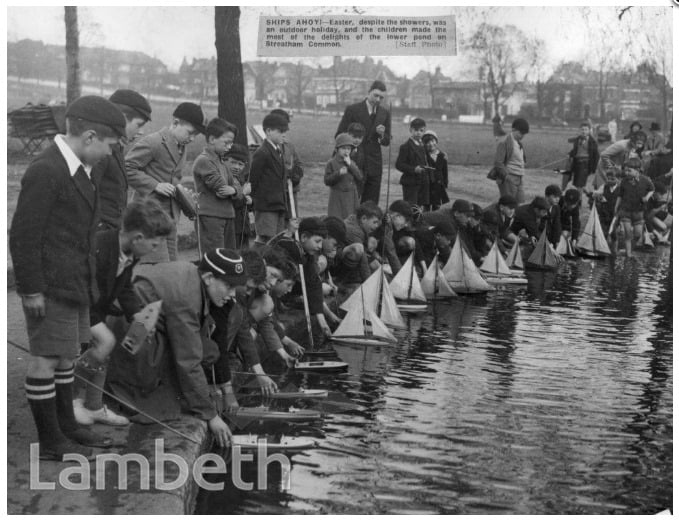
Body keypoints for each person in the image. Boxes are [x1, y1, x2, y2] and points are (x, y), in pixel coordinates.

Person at [10, 95, 125, 461]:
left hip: (75, 282)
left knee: (66, 357)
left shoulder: (81, 170)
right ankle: (51, 441)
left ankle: (67, 427)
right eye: (109, 145)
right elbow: (24, 235)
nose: (110, 153)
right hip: (50, 285)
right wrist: (30, 289)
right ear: (89, 137)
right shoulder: (47, 170)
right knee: (46, 359)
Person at [73, 199, 173, 426]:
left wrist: (135, 313)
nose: (155, 250)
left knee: (104, 348)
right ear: (138, 238)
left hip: (93, 306)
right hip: (78, 304)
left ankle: (94, 406)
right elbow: (83, 287)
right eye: (155, 245)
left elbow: (125, 285)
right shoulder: (100, 248)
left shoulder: (130, 252)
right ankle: (72, 398)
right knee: (105, 341)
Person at [126, 101, 206, 260]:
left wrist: (184, 195)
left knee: (172, 262)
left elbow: (173, 178)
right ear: (176, 123)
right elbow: (127, 167)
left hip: (171, 216)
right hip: (149, 215)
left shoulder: (182, 147)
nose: (191, 138)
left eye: (195, 135)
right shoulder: (153, 142)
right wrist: (155, 185)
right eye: (190, 133)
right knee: (155, 263)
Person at [271, 217, 338, 338]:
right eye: (317, 241)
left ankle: (286, 300)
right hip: (273, 284)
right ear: (303, 237)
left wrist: (323, 321)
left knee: (316, 282)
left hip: (285, 285)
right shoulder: (287, 245)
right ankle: (280, 306)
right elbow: (272, 285)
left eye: (321, 242)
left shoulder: (306, 252)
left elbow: (313, 282)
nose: (320, 246)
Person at [95, 89, 152, 230]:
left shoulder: (116, 146)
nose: (141, 132)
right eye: (139, 125)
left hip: (111, 228)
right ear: (121, 117)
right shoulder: (102, 150)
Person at [336, 80, 392, 205]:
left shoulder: (385, 113)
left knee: (371, 203)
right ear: (368, 92)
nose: (378, 99)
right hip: (354, 161)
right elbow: (339, 134)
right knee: (350, 200)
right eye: (375, 95)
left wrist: (381, 135)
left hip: (374, 163)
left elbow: (387, 140)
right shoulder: (352, 109)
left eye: (381, 97)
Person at [192, 117, 242, 253]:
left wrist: (234, 190)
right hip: (211, 217)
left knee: (229, 256)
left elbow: (238, 188)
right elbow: (221, 188)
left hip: (227, 215)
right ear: (212, 139)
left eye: (231, 143)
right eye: (226, 142)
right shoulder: (204, 160)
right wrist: (234, 190)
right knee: (214, 257)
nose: (230, 146)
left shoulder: (222, 162)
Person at [250, 113, 290, 248]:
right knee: (265, 240)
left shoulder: (279, 151)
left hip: (278, 204)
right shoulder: (262, 153)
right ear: (268, 131)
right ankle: (254, 262)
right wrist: (256, 202)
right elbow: (253, 180)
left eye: (285, 131)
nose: (284, 134)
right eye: (280, 131)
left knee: (277, 241)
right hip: (266, 205)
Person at [615, 157, 655, 257]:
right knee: (627, 233)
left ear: (637, 170)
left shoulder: (645, 180)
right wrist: (616, 207)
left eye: (629, 170)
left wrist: (647, 197)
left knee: (637, 234)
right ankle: (628, 253)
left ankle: (629, 249)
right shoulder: (624, 181)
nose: (626, 172)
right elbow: (620, 195)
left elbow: (652, 189)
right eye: (625, 170)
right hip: (625, 210)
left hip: (639, 211)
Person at [270, 109, 304, 211]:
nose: (284, 132)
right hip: (274, 193)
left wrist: (296, 174)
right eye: (281, 129)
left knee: (292, 219)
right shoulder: (266, 147)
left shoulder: (289, 145)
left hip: (290, 190)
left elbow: (299, 163)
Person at [325, 133, 363, 220]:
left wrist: (350, 164)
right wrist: (338, 173)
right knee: (336, 220)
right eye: (343, 148)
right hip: (337, 196)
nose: (346, 151)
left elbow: (359, 176)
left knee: (351, 219)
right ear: (336, 149)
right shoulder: (331, 163)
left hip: (351, 196)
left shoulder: (351, 162)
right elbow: (327, 181)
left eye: (348, 149)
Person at [492, 118, 530, 203]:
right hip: (508, 177)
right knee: (508, 204)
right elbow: (498, 163)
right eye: (521, 133)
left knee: (519, 202)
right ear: (513, 129)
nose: (522, 136)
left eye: (524, 134)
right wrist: (507, 177)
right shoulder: (504, 142)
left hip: (519, 178)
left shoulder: (519, 143)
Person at [225, 144, 253, 250]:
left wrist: (249, 201)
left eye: (240, 164)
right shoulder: (224, 179)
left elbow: (241, 203)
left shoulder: (239, 179)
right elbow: (230, 203)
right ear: (225, 160)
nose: (237, 167)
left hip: (243, 227)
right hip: (232, 228)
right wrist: (244, 192)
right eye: (233, 162)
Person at [395, 117, 429, 206]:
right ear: (411, 130)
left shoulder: (424, 146)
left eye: (421, 131)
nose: (418, 133)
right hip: (410, 183)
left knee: (422, 207)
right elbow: (399, 164)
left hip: (423, 181)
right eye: (416, 130)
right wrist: (414, 169)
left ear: (424, 131)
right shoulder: (405, 147)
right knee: (411, 207)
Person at [565, 121, 599, 191]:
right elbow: (575, 150)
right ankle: (582, 195)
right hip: (576, 163)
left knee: (580, 184)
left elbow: (596, 155)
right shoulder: (577, 139)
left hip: (585, 164)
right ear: (580, 130)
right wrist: (569, 154)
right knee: (576, 183)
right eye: (582, 129)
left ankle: (579, 200)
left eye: (586, 130)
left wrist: (595, 168)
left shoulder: (593, 142)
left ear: (589, 130)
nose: (584, 131)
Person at [422, 130, 449, 210]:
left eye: (433, 141)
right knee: (426, 205)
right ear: (424, 144)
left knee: (436, 205)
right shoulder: (424, 155)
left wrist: (445, 183)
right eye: (428, 142)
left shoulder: (442, 155)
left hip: (438, 184)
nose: (431, 144)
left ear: (436, 141)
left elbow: (445, 171)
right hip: (427, 185)